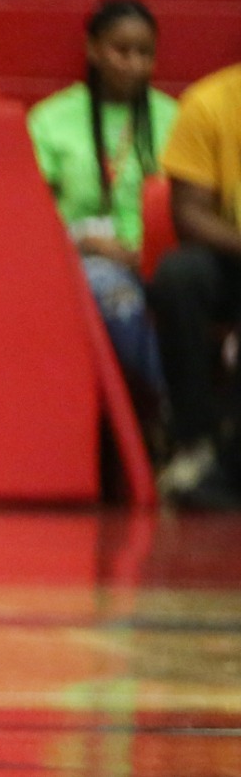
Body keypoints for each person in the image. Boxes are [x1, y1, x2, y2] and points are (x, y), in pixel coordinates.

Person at [27, 0, 177, 410]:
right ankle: (182, 409)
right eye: (121, 51)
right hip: (85, 255)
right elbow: (28, 215)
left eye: (145, 53)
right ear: (93, 49)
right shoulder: (53, 119)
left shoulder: (174, 117)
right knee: (118, 298)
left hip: (161, 257)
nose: (135, 64)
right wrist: (88, 243)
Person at [148, 56, 241, 505]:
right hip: (232, 255)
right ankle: (196, 442)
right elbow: (188, 216)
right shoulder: (209, 102)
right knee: (178, 276)